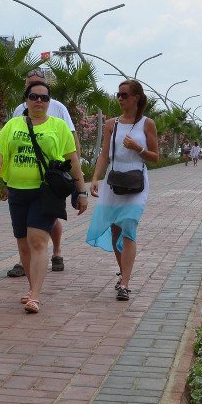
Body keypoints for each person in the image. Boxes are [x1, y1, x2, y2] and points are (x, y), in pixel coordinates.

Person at [0, 81, 87, 313]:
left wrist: (81, 191)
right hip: (17, 191)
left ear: (49, 102)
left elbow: (73, 160)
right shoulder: (13, 124)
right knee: (23, 245)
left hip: (46, 192)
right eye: (34, 97)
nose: (39, 102)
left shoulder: (58, 126)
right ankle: (32, 286)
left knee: (37, 241)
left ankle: (35, 295)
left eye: (44, 98)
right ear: (26, 100)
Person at [86, 80, 158, 302]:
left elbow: (156, 157)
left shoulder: (147, 124)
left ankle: (125, 284)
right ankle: (122, 272)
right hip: (114, 182)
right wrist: (96, 177)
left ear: (136, 97)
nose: (120, 98)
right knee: (116, 230)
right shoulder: (111, 124)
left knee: (128, 227)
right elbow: (105, 155)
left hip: (136, 181)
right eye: (118, 94)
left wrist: (138, 148)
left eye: (124, 95)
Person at [7, 68, 79, 276]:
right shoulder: (18, 111)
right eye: (32, 87)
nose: (38, 97)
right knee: (24, 228)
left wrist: (75, 177)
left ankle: (56, 252)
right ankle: (25, 261)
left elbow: (71, 142)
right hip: (22, 181)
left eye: (41, 89)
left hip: (52, 178)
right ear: (26, 88)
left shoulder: (57, 108)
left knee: (52, 218)